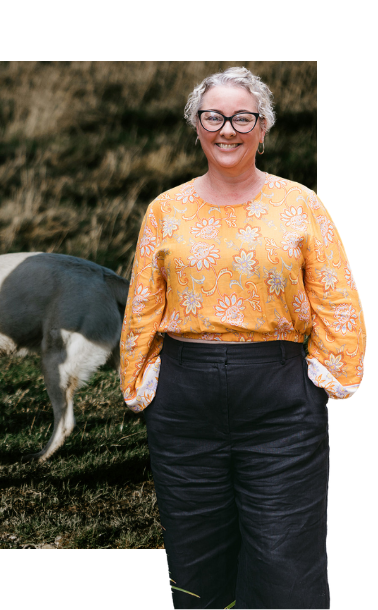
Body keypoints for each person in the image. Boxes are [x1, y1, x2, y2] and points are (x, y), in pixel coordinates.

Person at [119, 67, 365, 609]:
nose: (226, 129)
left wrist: (329, 373)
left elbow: (335, 295)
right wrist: (141, 379)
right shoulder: (166, 209)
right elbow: (143, 304)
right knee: (196, 559)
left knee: (285, 559)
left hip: (279, 397)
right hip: (184, 400)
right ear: (196, 125)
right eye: (213, 116)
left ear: (263, 127)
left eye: (242, 117)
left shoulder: (300, 204)